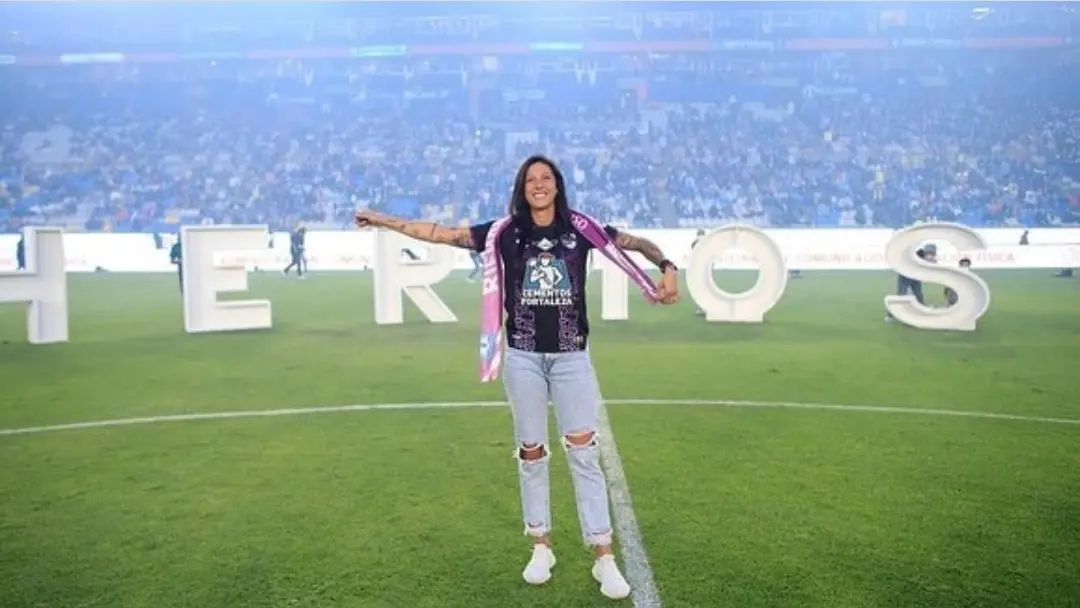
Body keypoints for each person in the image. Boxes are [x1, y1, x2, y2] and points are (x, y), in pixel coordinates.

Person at [354, 155, 679, 600]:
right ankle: (540, 545)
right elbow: (439, 233)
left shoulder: (582, 229)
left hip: (571, 357)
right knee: (531, 452)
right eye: (530, 179)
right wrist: (382, 220)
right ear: (522, 189)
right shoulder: (503, 232)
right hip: (523, 357)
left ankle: (603, 555)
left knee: (584, 451)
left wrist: (668, 266)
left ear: (557, 185)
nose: (538, 184)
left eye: (546, 178)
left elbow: (636, 243)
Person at [886, 243, 935, 322]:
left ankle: (922, 314)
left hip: (915, 278)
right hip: (905, 277)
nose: (931, 256)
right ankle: (890, 315)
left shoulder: (927, 258)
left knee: (919, 296)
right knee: (901, 296)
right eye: (930, 254)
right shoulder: (919, 254)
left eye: (933, 254)